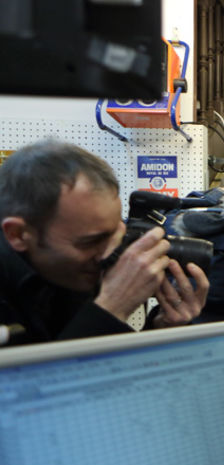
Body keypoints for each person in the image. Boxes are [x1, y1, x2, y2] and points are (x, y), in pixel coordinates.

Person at [0, 140, 208, 345]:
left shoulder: (72, 270)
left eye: (116, 235)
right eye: (91, 242)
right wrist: (111, 308)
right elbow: (39, 377)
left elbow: (103, 368)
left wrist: (161, 329)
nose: (110, 254)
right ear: (18, 234)